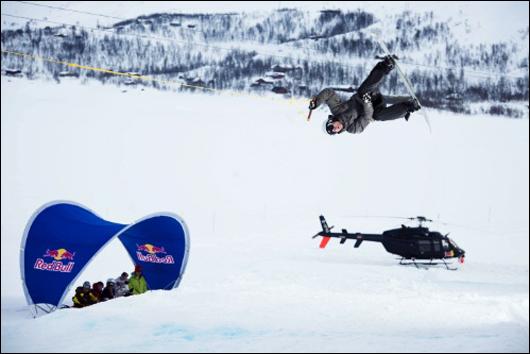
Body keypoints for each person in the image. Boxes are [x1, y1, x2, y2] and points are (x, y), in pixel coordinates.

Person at [308, 55, 421, 135]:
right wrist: (367, 103)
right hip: (374, 108)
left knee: (362, 92)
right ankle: (408, 107)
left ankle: (385, 65)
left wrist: (317, 102)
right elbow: (367, 117)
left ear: (331, 121)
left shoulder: (336, 110)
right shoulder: (353, 129)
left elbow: (329, 93)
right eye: (334, 131)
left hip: (369, 95)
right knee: (377, 116)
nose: (335, 128)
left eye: (332, 127)